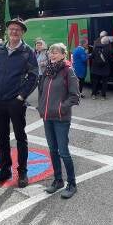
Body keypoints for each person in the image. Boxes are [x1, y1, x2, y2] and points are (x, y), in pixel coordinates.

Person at [0, 18, 39, 187]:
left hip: (15, 101)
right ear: (7, 31)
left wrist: (21, 96)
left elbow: (33, 76)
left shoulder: (27, 52)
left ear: (22, 32)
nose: (14, 31)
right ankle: (5, 170)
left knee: (20, 137)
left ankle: (22, 172)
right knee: (2, 138)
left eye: (17, 29)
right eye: (11, 28)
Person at [38, 43, 81, 198]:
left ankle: (72, 183)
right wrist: (41, 107)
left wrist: (61, 108)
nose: (52, 55)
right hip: (47, 117)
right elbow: (41, 91)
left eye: (56, 52)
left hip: (61, 118)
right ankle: (58, 180)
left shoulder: (68, 71)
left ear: (63, 54)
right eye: (51, 52)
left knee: (63, 152)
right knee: (52, 150)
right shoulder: (47, 71)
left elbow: (75, 96)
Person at [90, 33, 113, 100]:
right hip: (105, 69)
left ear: (101, 41)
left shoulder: (95, 48)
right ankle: (103, 96)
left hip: (95, 68)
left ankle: (93, 95)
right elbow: (110, 59)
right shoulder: (109, 50)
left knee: (95, 82)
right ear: (107, 42)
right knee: (104, 82)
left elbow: (92, 57)